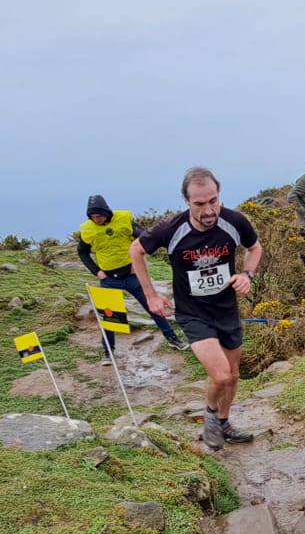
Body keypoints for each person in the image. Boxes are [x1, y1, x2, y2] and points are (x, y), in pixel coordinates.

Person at [131, 167, 263, 450]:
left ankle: (224, 422)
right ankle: (211, 415)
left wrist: (247, 275)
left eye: (213, 201)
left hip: (226, 308)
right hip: (193, 313)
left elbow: (255, 248)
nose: (208, 210)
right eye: (199, 204)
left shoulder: (234, 222)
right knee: (221, 375)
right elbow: (136, 250)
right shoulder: (171, 229)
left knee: (234, 373)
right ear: (186, 201)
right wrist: (151, 295)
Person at [77, 194, 190, 364]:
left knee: (153, 307)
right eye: (93, 217)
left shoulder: (124, 219)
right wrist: (96, 271)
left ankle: (173, 339)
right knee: (109, 315)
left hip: (131, 274)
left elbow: (144, 237)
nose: (97, 219)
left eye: (99, 216)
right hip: (108, 278)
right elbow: (82, 251)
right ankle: (109, 352)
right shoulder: (88, 229)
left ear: (107, 212)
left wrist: (139, 261)